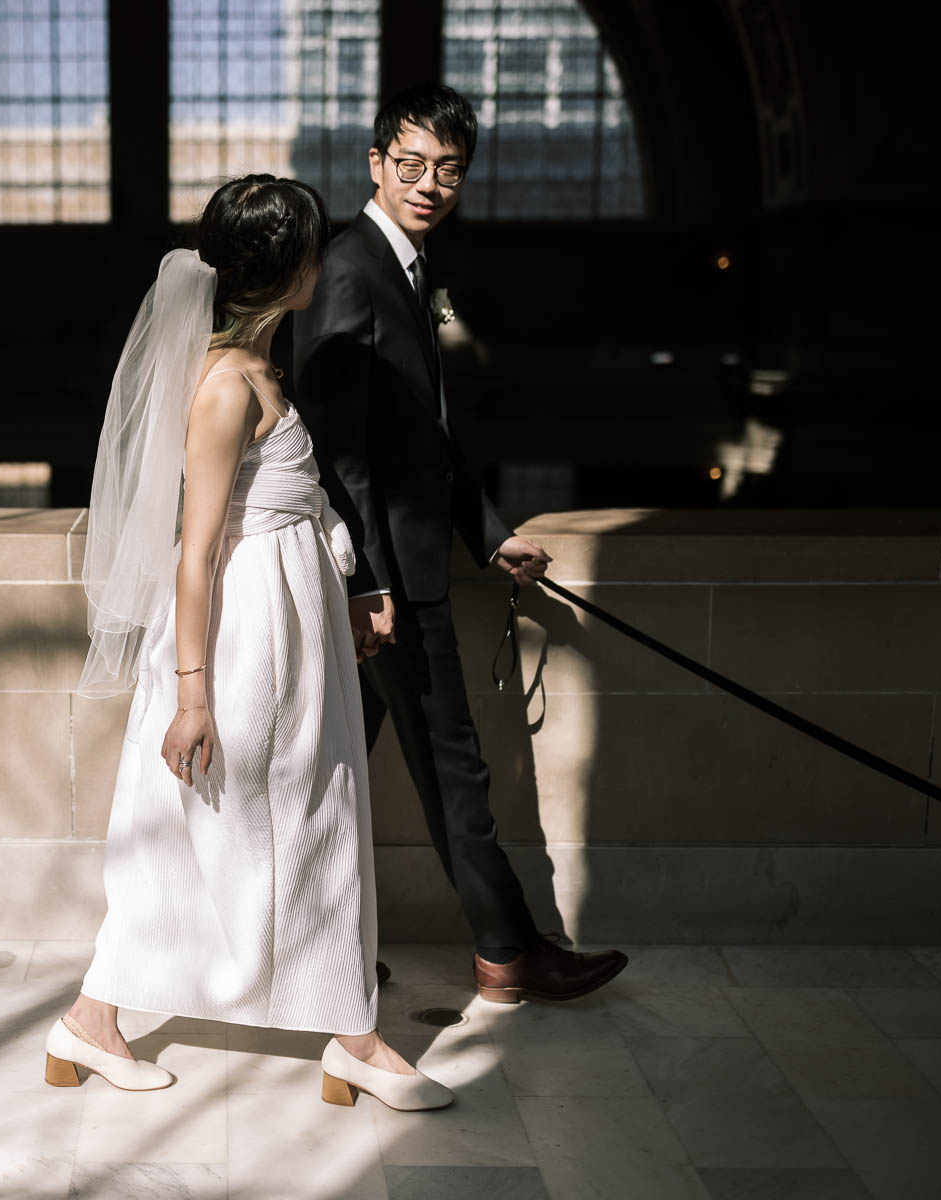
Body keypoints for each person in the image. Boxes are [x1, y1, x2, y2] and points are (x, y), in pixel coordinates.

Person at [46, 175, 452, 1112]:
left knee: (279, 820)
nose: (325, 257)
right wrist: (191, 697)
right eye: (315, 245)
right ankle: (348, 1038)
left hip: (291, 626)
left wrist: (349, 591)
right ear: (288, 266)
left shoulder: (261, 365)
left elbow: (293, 502)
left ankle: (96, 1022)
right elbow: (194, 554)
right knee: (270, 821)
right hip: (244, 642)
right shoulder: (226, 386)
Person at [291, 84, 628, 1003]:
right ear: (374, 163)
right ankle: (508, 953)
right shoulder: (350, 268)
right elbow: (337, 450)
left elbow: (419, 438)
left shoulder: (403, 267)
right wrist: (366, 587)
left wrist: (488, 536)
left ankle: (309, 956)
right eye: (409, 165)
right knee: (451, 771)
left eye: (448, 170)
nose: (428, 184)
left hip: (401, 572)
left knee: (325, 777)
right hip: (387, 586)